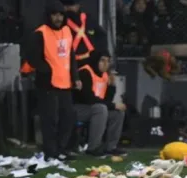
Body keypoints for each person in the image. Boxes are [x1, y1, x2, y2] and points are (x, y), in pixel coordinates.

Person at [27, 0, 80, 161]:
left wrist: (75, 77)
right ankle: (51, 152)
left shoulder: (67, 31)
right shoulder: (40, 33)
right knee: (50, 120)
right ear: (48, 16)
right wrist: (47, 70)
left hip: (65, 83)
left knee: (67, 118)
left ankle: (61, 149)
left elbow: (71, 57)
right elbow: (32, 58)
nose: (58, 18)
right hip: (47, 84)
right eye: (55, 15)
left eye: (60, 15)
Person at [73, 50, 127, 157]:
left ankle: (110, 147)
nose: (106, 64)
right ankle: (93, 148)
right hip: (77, 108)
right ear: (95, 61)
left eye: (108, 61)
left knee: (117, 113)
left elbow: (107, 99)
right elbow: (88, 98)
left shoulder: (105, 75)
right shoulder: (85, 72)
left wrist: (112, 85)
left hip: (95, 109)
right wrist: (112, 105)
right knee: (101, 108)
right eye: (102, 60)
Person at [61, 0, 107, 67]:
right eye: (66, 6)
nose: (68, 8)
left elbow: (101, 36)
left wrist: (100, 55)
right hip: (67, 63)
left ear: (78, 5)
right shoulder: (60, 22)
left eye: (71, 5)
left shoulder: (88, 19)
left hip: (89, 62)